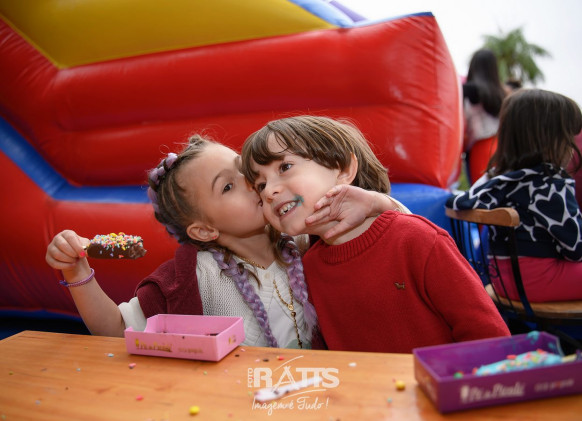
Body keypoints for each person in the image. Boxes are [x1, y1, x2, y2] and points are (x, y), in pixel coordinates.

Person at [46, 134, 405, 348]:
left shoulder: (306, 235)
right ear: (204, 230)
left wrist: (378, 203)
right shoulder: (194, 278)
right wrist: (77, 272)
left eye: (245, 171)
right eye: (229, 186)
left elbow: (399, 233)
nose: (253, 183)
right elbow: (115, 330)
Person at [240, 115, 510, 353]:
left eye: (285, 167)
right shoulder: (308, 267)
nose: (269, 191)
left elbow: (490, 338)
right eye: (260, 185)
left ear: (344, 170)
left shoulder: (416, 240)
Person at [448, 89, 582, 302]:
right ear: (552, 140)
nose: (572, 147)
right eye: (568, 138)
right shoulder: (551, 184)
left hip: (503, 281)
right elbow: (575, 250)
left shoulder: (499, 178)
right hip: (540, 282)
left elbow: (458, 202)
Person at [463, 48, 507, 183]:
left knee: (482, 191)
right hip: (502, 148)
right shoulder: (502, 93)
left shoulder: (468, 90)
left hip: (480, 149)